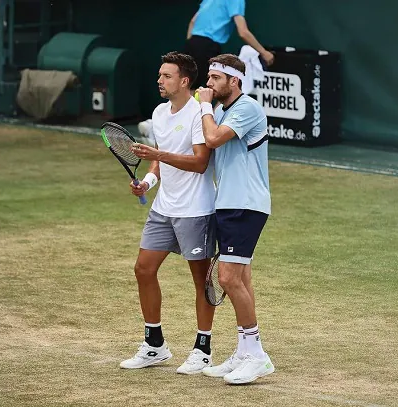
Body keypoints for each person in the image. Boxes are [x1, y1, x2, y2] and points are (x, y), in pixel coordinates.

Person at [119, 51, 217, 375]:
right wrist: (147, 182)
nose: (159, 81)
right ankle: (154, 345)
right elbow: (158, 162)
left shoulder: (199, 115)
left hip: (196, 210)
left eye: (166, 76)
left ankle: (203, 350)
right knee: (143, 269)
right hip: (164, 206)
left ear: (184, 81)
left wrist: (159, 152)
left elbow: (201, 163)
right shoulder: (159, 113)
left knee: (201, 280)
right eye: (160, 75)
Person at [195, 54, 274, 384]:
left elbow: (212, 140)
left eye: (215, 78)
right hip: (228, 203)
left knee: (228, 279)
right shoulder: (222, 111)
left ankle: (256, 355)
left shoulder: (246, 107)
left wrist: (202, 106)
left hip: (245, 204)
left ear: (234, 81)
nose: (209, 84)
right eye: (208, 78)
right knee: (240, 279)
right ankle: (244, 350)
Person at [138, 0, 275, 140]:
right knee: (204, 91)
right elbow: (243, 32)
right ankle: (160, 128)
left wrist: (191, 48)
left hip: (192, 43)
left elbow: (192, 22)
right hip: (207, 46)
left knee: (189, 91)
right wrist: (263, 52)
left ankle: (159, 127)